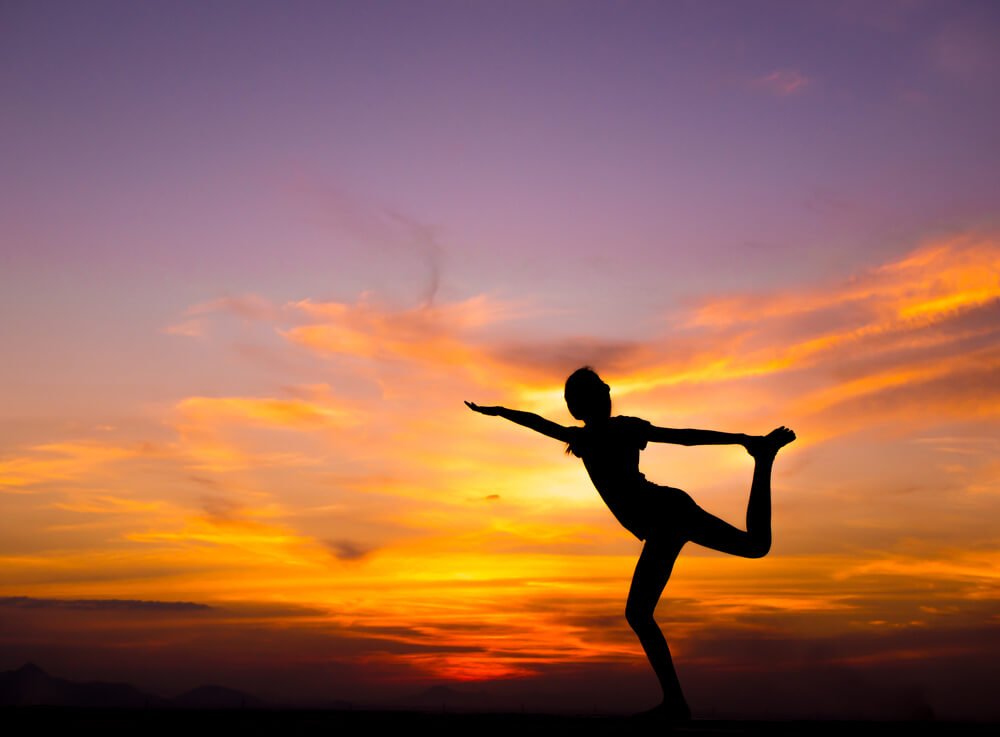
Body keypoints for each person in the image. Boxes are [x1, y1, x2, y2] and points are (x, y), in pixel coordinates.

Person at [466, 366, 795, 722]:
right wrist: (499, 412)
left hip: (665, 514)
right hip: (665, 517)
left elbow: (683, 437)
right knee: (753, 548)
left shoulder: (614, 430)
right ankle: (763, 461)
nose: (605, 393)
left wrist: (742, 439)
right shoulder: (584, 438)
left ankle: (675, 704)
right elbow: (536, 422)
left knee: (640, 612)